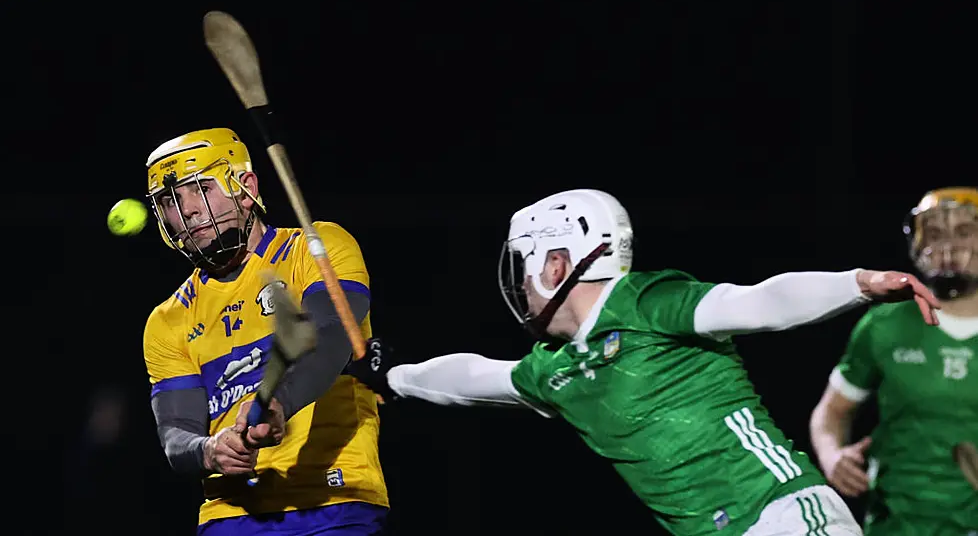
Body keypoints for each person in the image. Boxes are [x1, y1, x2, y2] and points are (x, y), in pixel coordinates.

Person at [346, 188, 941, 536]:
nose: (518, 286)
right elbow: (476, 377)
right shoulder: (556, 370)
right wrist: (392, 375)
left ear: (556, 263)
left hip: (784, 516)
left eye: (523, 266)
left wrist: (858, 283)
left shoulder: (650, 302)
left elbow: (760, 302)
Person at [141, 128, 388, 535]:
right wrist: (209, 451)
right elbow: (175, 434)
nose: (187, 210)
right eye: (171, 200)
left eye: (200, 188)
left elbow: (333, 334)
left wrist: (280, 403)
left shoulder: (318, 247)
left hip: (334, 502)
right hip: (231, 516)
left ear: (246, 186)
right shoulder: (167, 319)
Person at [809, 186, 978, 535]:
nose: (949, 246)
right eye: (935, 232)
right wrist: (832, 456)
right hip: (895, 523)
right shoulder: (885, 324)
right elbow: (831, 412)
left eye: (964, 231)